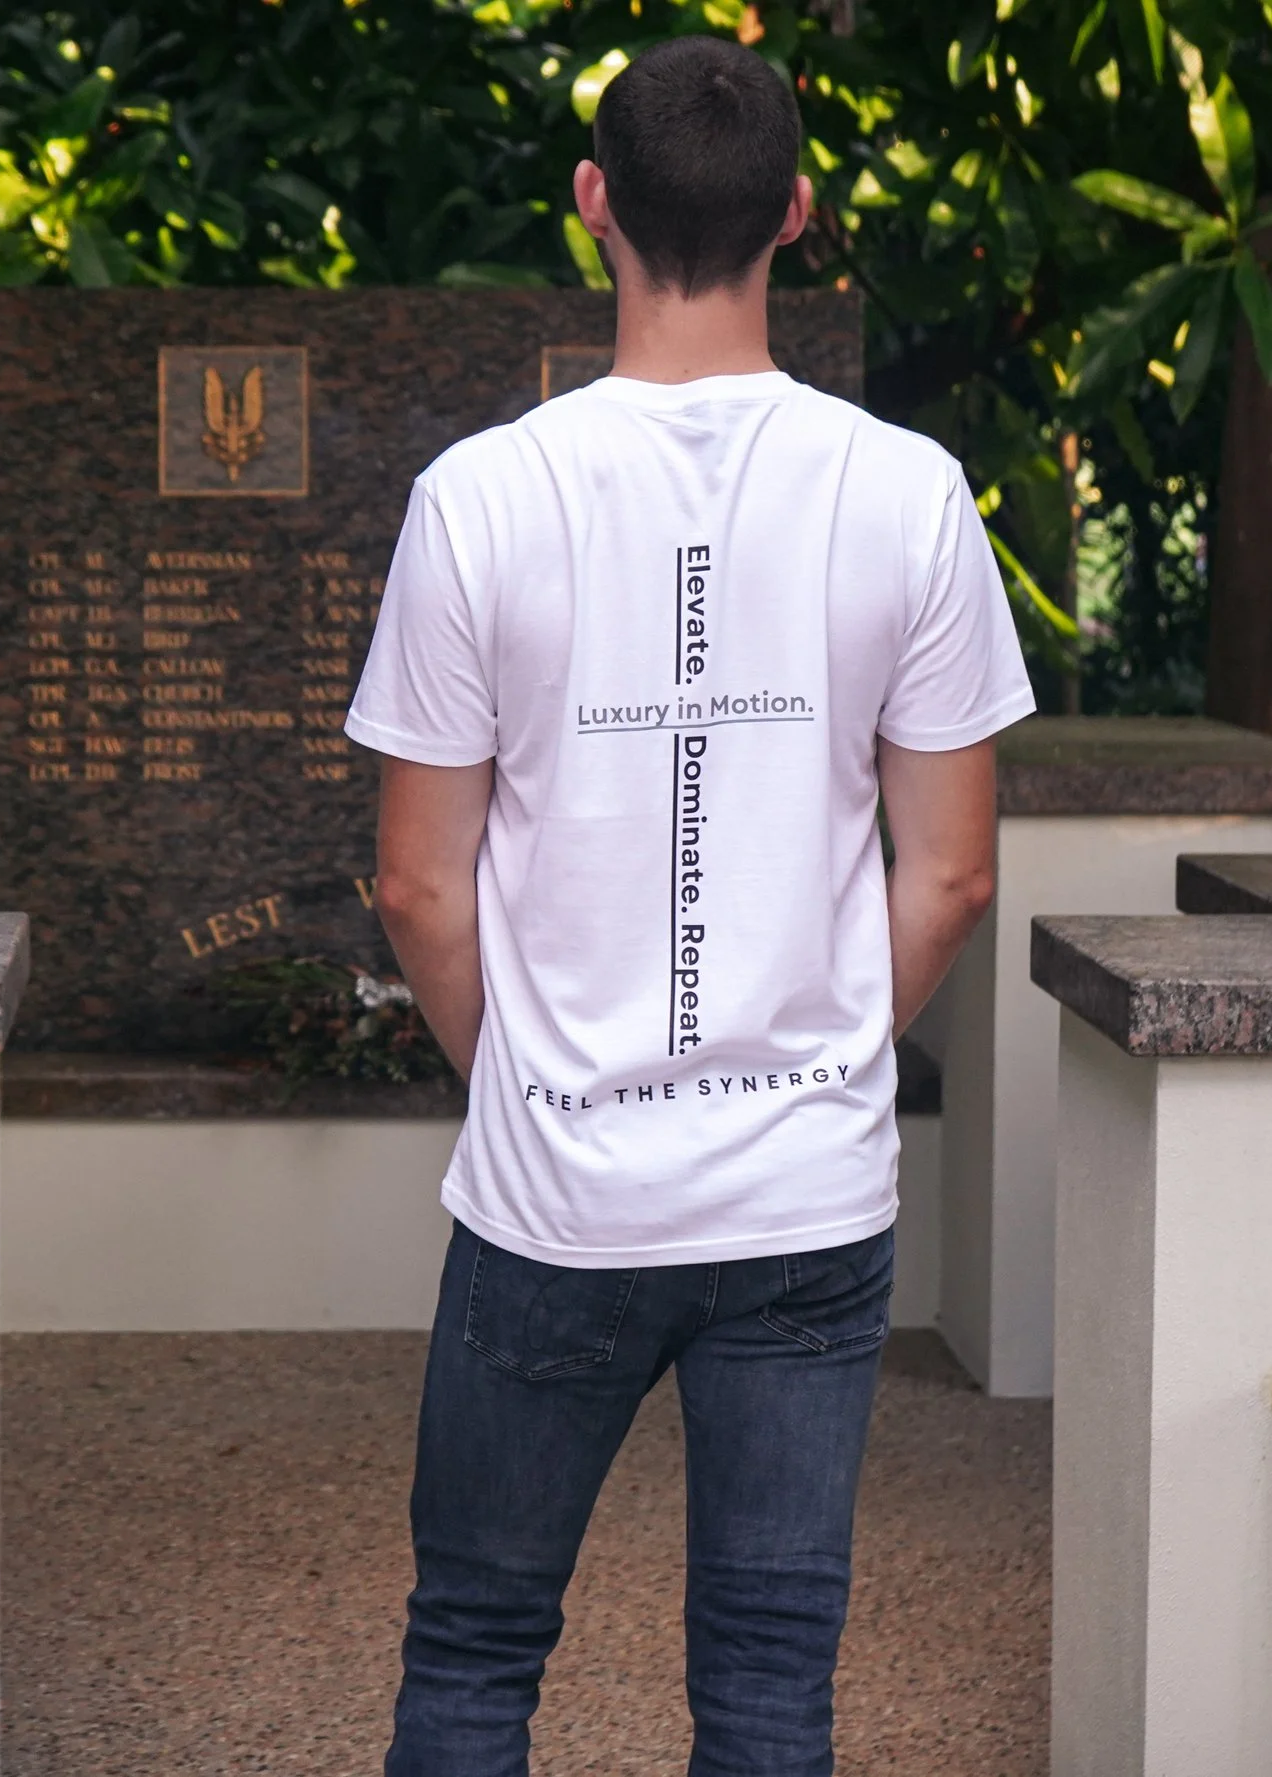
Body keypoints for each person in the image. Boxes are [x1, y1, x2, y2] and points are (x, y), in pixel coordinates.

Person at [345, 33, 1033, 1777]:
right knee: (768, 1684)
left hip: (552, 1194)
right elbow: (950, 870)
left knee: (476, 1653)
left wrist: (528, 1075)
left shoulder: (480, 498)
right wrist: (808, 1060)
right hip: (807, 1201)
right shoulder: (911, 494)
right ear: (797, 214)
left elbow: (418, 883)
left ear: (593, 208)